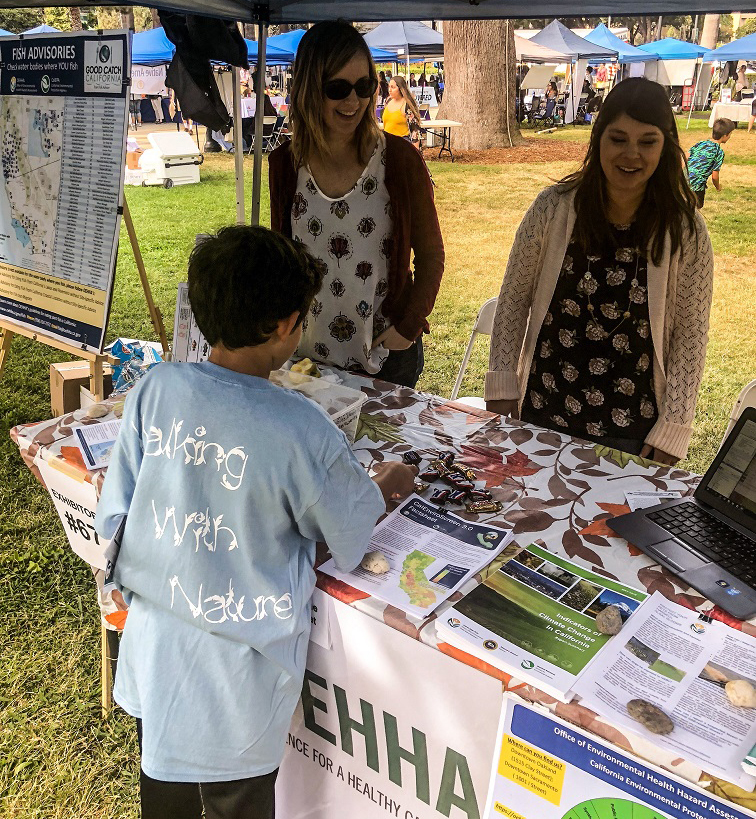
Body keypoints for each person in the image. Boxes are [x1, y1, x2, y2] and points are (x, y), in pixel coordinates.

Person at [95, 225, 417, 819]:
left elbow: (116, 511)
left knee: (163, 798)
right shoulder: (300, 426)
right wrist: (389, 485)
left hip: (158, 656)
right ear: (286, 326)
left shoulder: (156, 389)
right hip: (239, 687)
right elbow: (348, 531)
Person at [485, 77, 714, 466]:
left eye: (648, 141)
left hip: (631, 429)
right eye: (618, 138)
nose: (632, 154)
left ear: (666, 146)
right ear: (598, 139)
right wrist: (503, 382)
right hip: (544, 406)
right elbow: (514, 300)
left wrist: (674, 429)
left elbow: (690, 338)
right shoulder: (553, 208)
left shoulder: (686, 231)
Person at [269, 20, 444, 389]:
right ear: (308, 90)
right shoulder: (286, 163)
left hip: (385, 358)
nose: (354, 101)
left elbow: (431, 255)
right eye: (337, 88)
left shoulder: (399, 160)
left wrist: (408, 326)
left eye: (364, 86)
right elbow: (281, 257)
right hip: (305, 359)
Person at [688, 117, 735, 208]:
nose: (730, 137)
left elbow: (685, 157)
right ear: (725, 135)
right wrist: (718, 186)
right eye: (730, 134)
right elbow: (715, 176)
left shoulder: (701, 143)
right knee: (696, 210)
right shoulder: (718, 152)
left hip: (683, 181)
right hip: (697, 186)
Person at [382, 74, 424, 146]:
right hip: (387, 143)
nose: (390, 90)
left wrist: (415, 151)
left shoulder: (407, 104)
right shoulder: (388, 101)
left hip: (402, 144)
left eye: (393, 87)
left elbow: (415, 130)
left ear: (400, 88)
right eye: (389, 87)